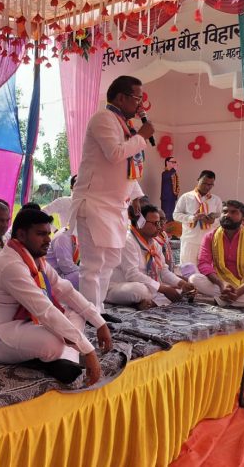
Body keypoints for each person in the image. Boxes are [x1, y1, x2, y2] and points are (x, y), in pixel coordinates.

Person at [0, 209, 112, 386]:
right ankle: (62, 358)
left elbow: (65, 290)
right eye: (41, 234)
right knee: (53, 344)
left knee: (75, 315)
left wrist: (99, 322)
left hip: (18, 325)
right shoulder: (10, 265)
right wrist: (87, 350)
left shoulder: (34, 260)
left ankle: (63, 360)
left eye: (48, 233)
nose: (48, 239)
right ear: (22, 235)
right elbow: (44, 310)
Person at [70, 75, 154, 313]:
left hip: (115, 206)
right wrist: (141, 137)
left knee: (109, 263)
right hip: (94, 204)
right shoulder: (103, 118)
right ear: (121, 97)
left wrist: (136, 196)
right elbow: (115, 153)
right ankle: (89, 315)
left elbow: (126, 168)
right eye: (137, 98)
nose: (140, 105)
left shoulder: (124, 124)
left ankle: (99, 311)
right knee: (93, 265)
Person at [189, 200, 244, 307]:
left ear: (243, 220)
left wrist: (238, 292)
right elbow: (204, 264)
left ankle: (220, 300)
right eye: (225, 211)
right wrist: (221, 284)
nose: (227, 215)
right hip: (219, 283)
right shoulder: (209, 237)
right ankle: (233, 300)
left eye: (234, 212)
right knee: (194, 279)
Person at [107, 205, 194, 310]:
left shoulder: (154, 244)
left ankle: (146, 302)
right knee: (140, 290)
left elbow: (163, 271)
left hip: (146, 286)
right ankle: (145, 302)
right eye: (155, 223)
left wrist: (182, 284)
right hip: (120, 286)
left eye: (160, 223)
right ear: (140, 223)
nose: (159, 227)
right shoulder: (128, 241)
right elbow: (132, 275)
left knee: (177, 291)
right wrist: (163, 289)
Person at [173, 170, 222, 265]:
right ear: (198, 180)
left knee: (206, 269)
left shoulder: (216, 200)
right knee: (189, 269)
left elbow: (221, 219)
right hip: (189, 241)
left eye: (210, 185)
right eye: (204, 183)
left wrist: (213, 221)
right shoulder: (186, 197)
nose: (207, 187)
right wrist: (192, 218)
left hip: (208, 242)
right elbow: (176, 215)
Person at [154, 209, 176, 273]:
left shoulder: (164, 234)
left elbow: (169, 251)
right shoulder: (152, 238)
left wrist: (172, 265)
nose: (163, 222)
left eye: (164, 219)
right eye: (160, 219)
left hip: (168, 269)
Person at [160, 157, 180, 222]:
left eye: (175, 162)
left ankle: (171, 226)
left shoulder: (174, 174)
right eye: (173, 162)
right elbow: (167, 176)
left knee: (171, 215)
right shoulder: (164, 173)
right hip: (166, 198)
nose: (174, 163)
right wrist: (174, 170)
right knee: (166, 215)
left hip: (172, 197)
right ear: (167, 163)